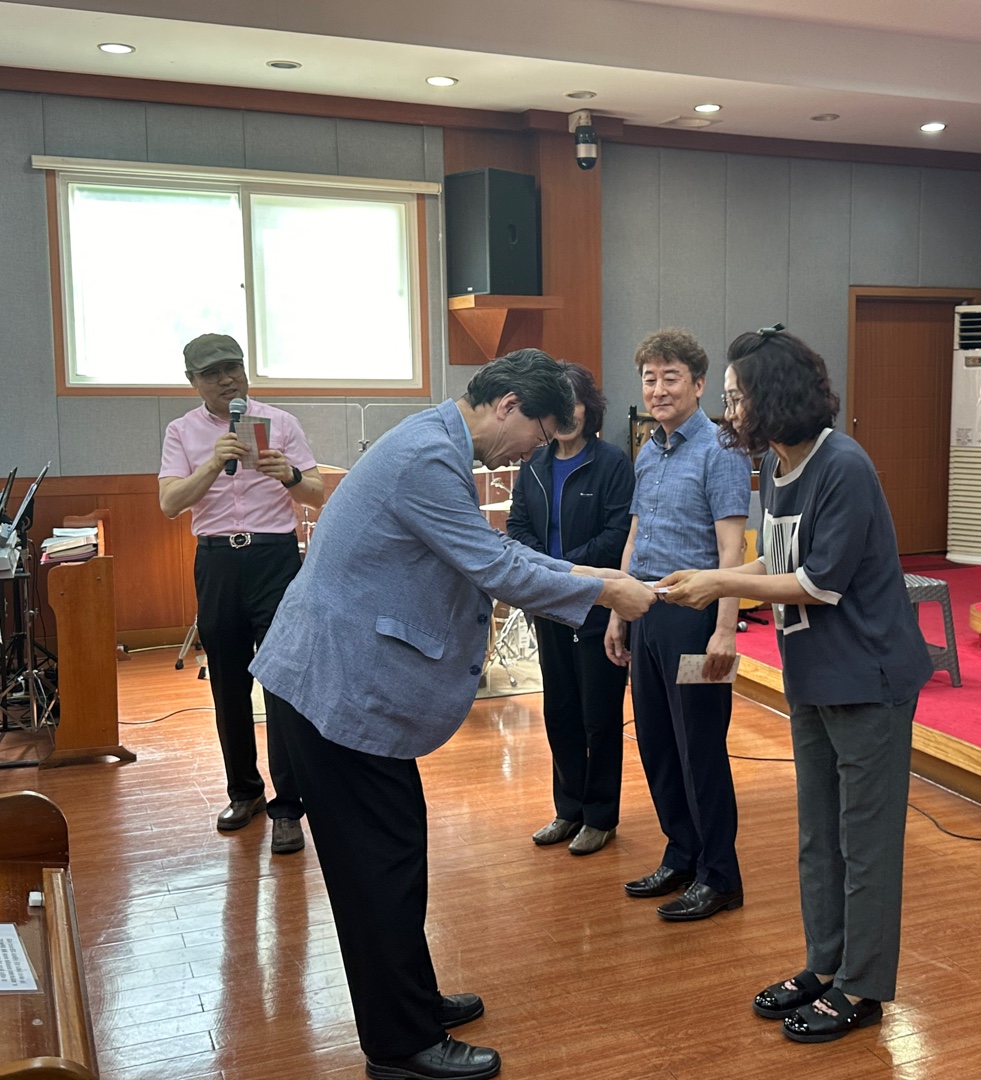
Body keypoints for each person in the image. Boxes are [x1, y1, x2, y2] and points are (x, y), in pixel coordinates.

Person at [250, 350, 656, 1080]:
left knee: (396, 853)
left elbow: (489, 550)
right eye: (536, 433)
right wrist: (605, 590)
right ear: (507, 405)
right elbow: (495, 567)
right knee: (377, 869)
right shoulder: (428, 458)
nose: (532, 451)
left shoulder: (435, 443)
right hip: (336, 690)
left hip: (343, 687)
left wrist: (592, 573)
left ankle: (413, 1001)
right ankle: (401, 1045)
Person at [659, 326, 932, 1043]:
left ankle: (861, 987)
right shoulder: (776, 465)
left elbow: (818, 582)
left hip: (867, 677)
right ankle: (824, 965)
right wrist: (715, 579)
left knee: (865, 842)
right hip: (813, 673)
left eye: (736, 398)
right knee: (817, 835)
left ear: (773, 397)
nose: (728, 412)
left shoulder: (844, 465)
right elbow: (778, 564)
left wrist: (720, 583)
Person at [605, 328, 752, 922]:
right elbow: (636, 536)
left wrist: (725, 629)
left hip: (697, 620)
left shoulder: (721, 449)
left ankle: (720, 876)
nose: (658, 389)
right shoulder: (648, 451)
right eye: (650, 378)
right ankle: (682, 854)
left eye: (671, 378)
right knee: (658, 743)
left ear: (698, 384)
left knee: (701, 748)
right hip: (648, 612)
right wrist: (618, 609)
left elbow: (732, 549)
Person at [158, 332, 325, 855]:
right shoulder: (181, 431)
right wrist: (212, 463)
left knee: (282, 684)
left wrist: (288, 474)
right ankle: (244, 792)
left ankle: (288, 807)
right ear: (193, 382)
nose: (227, 379)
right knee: (228, 683)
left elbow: (317, 493)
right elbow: (169, 503)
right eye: (213, 373)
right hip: (218, 563)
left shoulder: (281, 422)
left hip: (275, 559)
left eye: (233, 368)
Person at [507, 363, 635, 856]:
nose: (568, 413)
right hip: (549, 606)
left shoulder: (612, 463)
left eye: (576, 402)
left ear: (589, 407)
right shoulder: (533, 464)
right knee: (559, 710)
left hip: (597, 603)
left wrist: (562, 572)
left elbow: (617, 534)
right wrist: (547, 576)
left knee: (598, 715)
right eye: (559, 404)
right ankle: (569, 809)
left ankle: (600, 816)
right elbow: (518, 526)